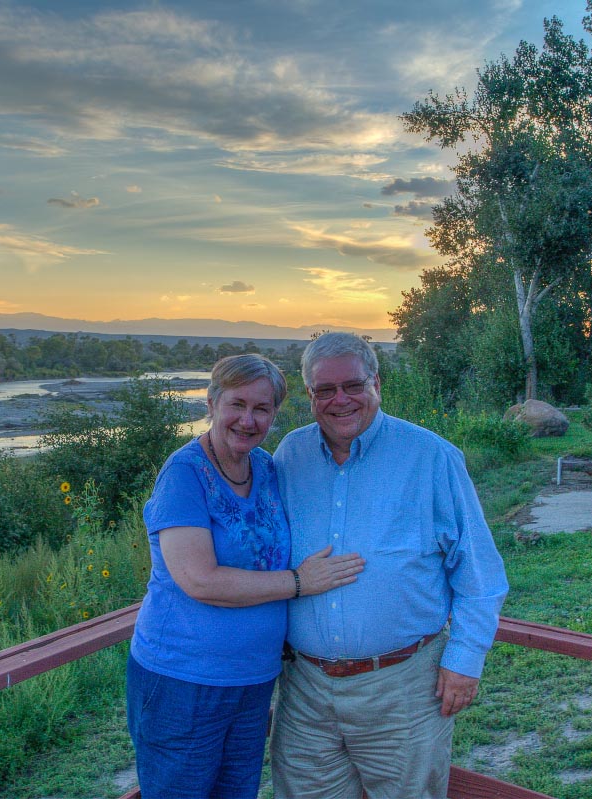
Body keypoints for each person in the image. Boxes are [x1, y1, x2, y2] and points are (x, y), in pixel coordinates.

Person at [270, 332, 509, 799]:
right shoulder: (289, 456)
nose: (340, 400)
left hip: (402, 691)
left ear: (376, 383)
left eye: (353, 385)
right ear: (310, 396)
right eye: (324, 390)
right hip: (304, 693)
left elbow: (479, 574)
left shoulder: (431, 457)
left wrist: (464, 661)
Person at [127, 353, 366, 799]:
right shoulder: (184, 475)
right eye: (237, 404)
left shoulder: (266, 469)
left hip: (253, 680)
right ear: (212, 402)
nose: (248, 419)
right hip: (184, 681)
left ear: (275, 414)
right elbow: (200, 580)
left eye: (262, 408)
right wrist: (299, 582)